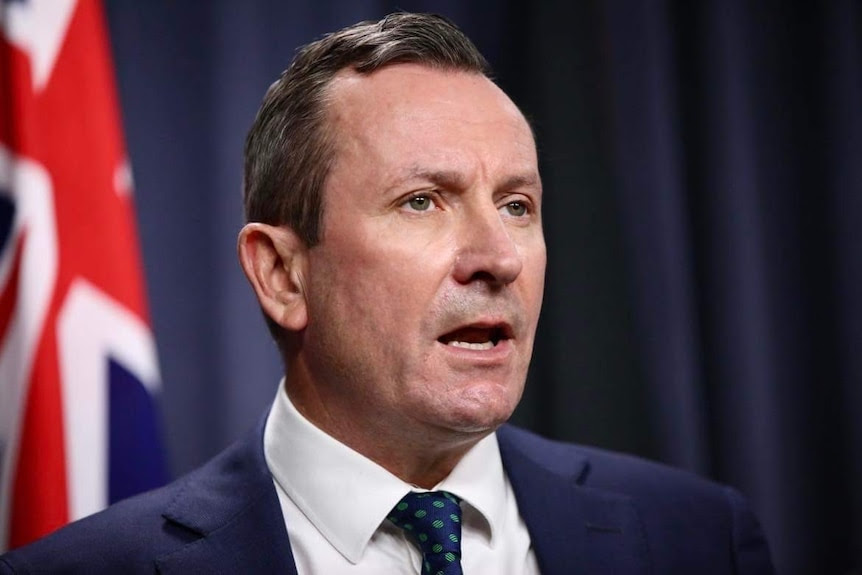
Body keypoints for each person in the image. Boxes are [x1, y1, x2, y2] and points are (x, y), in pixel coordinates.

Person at [0, 12, 774, 575]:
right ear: (282, 274)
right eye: (422, 201)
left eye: (517, 205)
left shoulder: (699, 538)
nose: (498, 256)